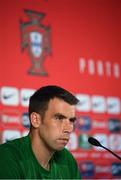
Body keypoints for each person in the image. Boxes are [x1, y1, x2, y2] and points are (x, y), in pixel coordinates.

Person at [0, 85, 81, 179]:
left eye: (71, 120)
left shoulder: (67, 159)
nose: (69, 129)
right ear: (35, 120)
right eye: (59, 118)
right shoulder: (6, 157)